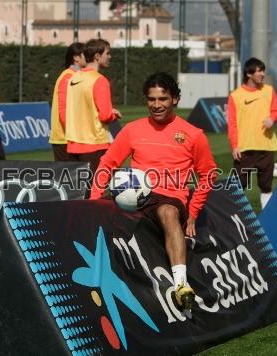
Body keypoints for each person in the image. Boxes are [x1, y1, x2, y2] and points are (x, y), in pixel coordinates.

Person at [90, 72, 217, 311]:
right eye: (151, 99)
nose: (156, 105)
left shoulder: (193, 135)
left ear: (175, 99)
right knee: (100, 211)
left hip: (170, 197)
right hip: (133, 195)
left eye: (163, 99)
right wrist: (94, 201)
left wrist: (193, 212)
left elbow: (208, 175)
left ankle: (181, 286)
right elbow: (108, 164)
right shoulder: (132, 130)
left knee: (168, 213)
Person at [65, 38, 122, 195]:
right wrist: (113, 114)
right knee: (96, 192)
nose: (110, 57)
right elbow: (104, 116)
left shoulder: (74, 78)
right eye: (107, 53)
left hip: (73, 143)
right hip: (94, 143)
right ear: (97, 56)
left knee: (79, 192)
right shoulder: (99, 80)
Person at [227, 57, 277, 209]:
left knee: (266, 186)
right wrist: (234, 146)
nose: (262, 74)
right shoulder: (235, 96)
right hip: (244, 149)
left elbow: (275, 111)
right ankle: (234, 217)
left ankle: (268, 218)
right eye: (259, 71)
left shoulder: (269, 91)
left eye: (263, 70)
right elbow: (232, 124)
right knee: (239, 186)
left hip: (266, 147)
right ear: (249, 74)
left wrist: (272, 118)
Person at [49, 42, 86, 161]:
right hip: (64, 139)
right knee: (67, 179)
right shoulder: (69, 77)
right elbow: (63, 109)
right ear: (76, 57)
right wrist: (75, 133)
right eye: (85, 54)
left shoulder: (75, 75)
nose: (88, 57)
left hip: (69, 138)